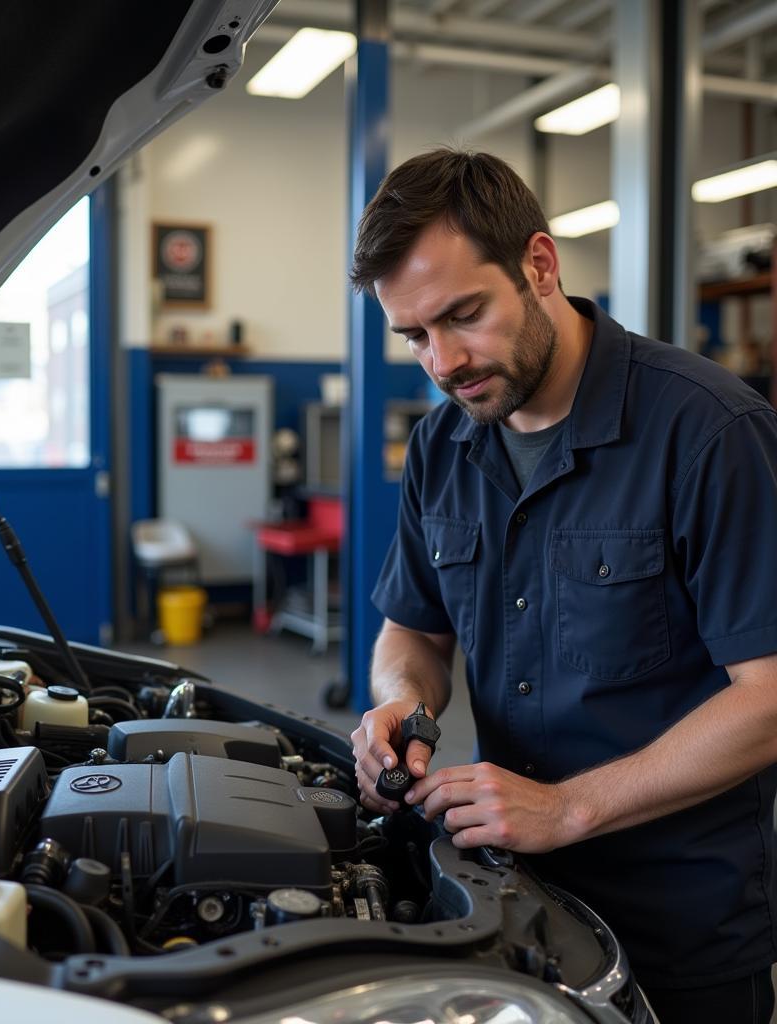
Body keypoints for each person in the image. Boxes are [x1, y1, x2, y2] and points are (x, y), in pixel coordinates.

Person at [349, 147, 777, 1024]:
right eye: (415, 335)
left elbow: (770, 696)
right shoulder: (443, 447)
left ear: (539, 265)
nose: (443, 361)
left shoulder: (710, 433)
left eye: (464, 315)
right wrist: (401, 704)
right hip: (509, 898)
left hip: (678, 928)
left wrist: (570, 807)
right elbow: (414, 633)